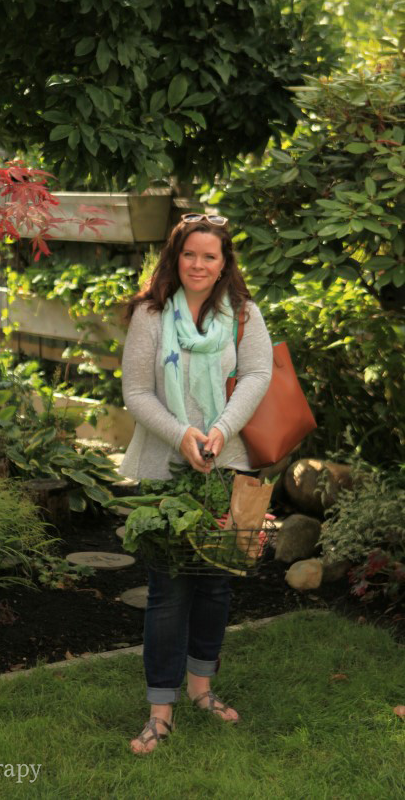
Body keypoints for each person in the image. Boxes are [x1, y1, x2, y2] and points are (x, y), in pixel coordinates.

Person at [118, 213, 273, 755]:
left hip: (226, 462)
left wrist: (219, 429)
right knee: (167, 590)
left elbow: (258, 375)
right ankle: (161, 711)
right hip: (166, 468)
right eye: (190, 255)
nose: (200, 265)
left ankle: (203, 689)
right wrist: (182, 433)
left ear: (225, 261)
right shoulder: (150, 314)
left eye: (210, 256)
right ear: (174, 258)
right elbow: (136, 392)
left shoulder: (244, 317)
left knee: (214, 584)